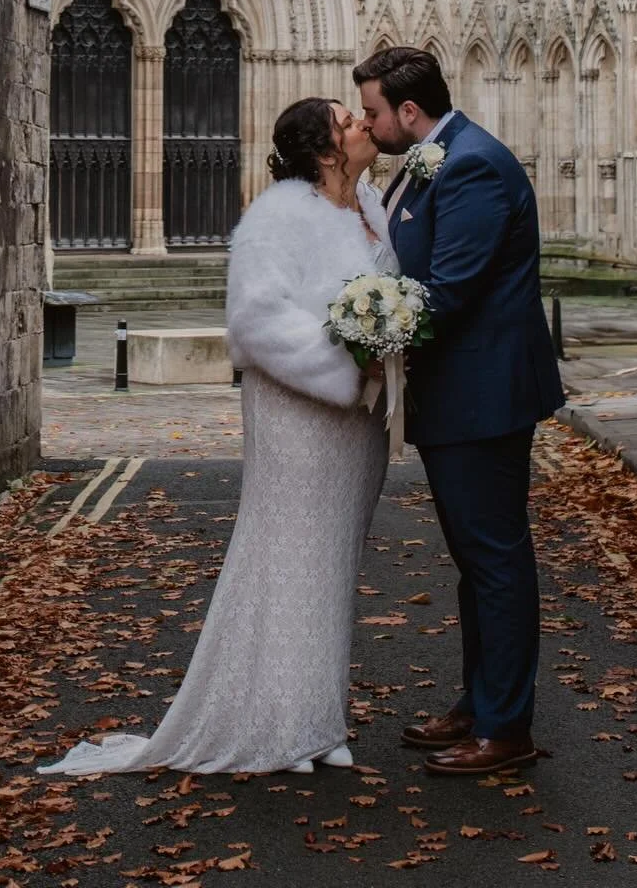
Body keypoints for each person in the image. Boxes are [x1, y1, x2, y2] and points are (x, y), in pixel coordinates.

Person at [41, 97, 395, 778]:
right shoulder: (278, 214)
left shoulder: (371, 207)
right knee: (287, 559)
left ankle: (318, 717)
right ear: (325, 150)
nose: (361, 123)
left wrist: (386, 345)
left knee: (331, 567)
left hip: (356, 422)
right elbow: (257, 320)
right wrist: (346, 361)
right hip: (300, 412)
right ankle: (280, 724)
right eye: (347, 120)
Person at [353, 46, 565, 778]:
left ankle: (506, 728)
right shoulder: (433, 159)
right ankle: (481, 705)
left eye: (374, 112)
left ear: (409, 111)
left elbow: (449, 290)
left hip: (484, 395)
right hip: (461, 395)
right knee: (476, 563)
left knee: (495, 560)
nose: (368, 124)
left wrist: (366, 335)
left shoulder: (472, 166)